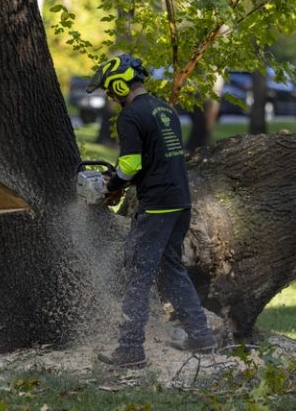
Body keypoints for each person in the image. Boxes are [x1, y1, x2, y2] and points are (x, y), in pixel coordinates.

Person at [86, 54, 217, 369]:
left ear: (121, 83)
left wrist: (113, 184)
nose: (109, 95)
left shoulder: (130, 116)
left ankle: (131, 348)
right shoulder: (164, 109)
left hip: (157, 205)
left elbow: (132, 164)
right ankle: (201, 335)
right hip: (180, 201)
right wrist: (120, 181)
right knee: (170, 267)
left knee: (138, 273)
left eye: (109, 88)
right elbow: (158, 156)